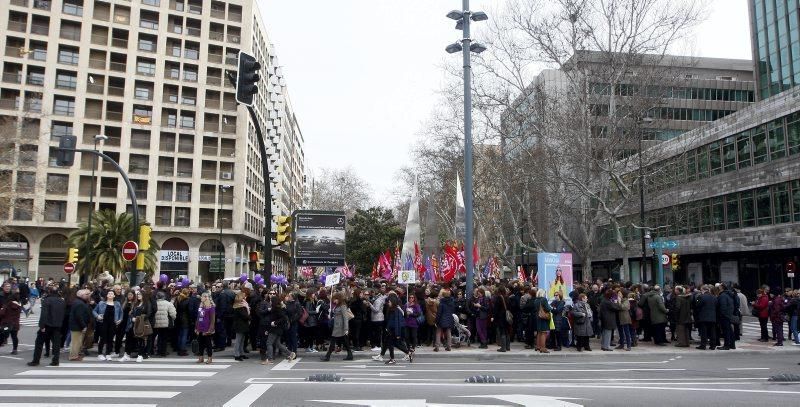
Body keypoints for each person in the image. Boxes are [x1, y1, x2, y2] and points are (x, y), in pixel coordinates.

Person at [28, 286, 64, 366]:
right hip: (57, 325)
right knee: (56, 344)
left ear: (49, 292)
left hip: (47, 325)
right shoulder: (61, 301)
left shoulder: (47, 300)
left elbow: (44, 314)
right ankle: (55, 360)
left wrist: (42, 326)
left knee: (39, 343)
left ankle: (36, 360)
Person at [321, 292, 352, 361]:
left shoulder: (343, 306)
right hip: (337, 326)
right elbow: (336, 315)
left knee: (333, 341)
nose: (334, 301)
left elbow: (345, 318)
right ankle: (350, 355)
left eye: (335, 299)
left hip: (340, 327)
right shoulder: (337, 305)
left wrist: (346, 329)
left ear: (339, 299)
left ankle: (327, 356)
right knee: (345, 342)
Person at [381, 296, 412, 364]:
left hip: (394, 330)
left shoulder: (396, 310)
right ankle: (408, 353)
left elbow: (397, 322)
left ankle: (393, 359)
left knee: (392, 344)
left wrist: (398, 334)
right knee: (393, 344)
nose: (388, 303)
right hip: (391, 330)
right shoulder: (392, 309)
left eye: (389, 302)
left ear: (392, 302)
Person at [93, 289, 122, 360]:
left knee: (110, 339)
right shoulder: (101, 303)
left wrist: (120, 320)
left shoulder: (117, 304)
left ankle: (108, 353)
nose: (110, 294)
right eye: (109, 293)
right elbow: (94, 311)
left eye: (112, 293)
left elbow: (121, 313)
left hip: (113, 323)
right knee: (102, 338)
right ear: (107, 295)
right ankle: (100, 353)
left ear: (114, 295)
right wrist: (97, 316)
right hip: (103, 323)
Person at [265, 296, 294, 363]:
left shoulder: (276, 309)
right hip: (278, 329)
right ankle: (290, 354)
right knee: (278, 344)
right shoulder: (278, 308)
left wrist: (275, 322)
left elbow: (283, 318)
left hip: (275, 328)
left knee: (269, 343)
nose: (270, 302)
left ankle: (270, 359)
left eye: (271, 301)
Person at [195, 291, 216, 364]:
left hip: (207, 328)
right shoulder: (201, 306)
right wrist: (196, 327)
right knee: (200, 343)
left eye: (202, 296)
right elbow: (198, 317)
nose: (201, 298)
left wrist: (210, 329)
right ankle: (201, 357)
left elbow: (213, 320)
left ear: (206, 298)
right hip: (200, 327)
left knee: (208, 344)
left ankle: (210, 358)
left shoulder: (211, 307)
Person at [695, 285, 717, 350]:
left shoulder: (701, 297)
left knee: (703, 332)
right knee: (712, 332)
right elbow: (716, 306)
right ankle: (713, 345)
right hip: (713, 317)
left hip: (703, 317)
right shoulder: (714, 297)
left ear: (703, 290)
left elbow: (698, 306)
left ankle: (703, 345)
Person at [231, 291, 250, 361]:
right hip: (240, 325)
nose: (245, 297)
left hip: (242, 325)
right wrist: (247, 309)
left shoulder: (241, 305)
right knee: (238, 340)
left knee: (242, 340)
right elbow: (245, 316)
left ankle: (241, 353)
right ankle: (237, 354)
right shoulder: (239, 306)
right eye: (243, 296)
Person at [532, 289, 552, 353]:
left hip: (538, 317)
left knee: (539, 332)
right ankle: (543, 348)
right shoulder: (543, 299)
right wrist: (551, 307)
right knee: (544, 332)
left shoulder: (536, 300)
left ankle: (538, 346)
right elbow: (548, 308)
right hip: (543, 318)